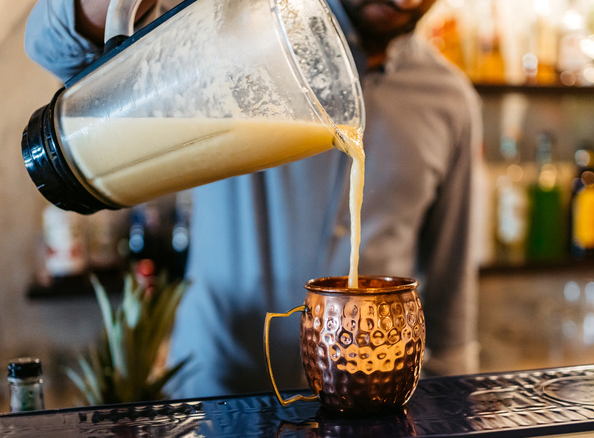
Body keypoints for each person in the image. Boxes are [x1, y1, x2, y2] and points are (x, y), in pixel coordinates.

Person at [24, 0, 483, 398]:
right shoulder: (242, 29)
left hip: (365, 402)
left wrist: (453, 404)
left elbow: (450, 293)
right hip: (215, 396)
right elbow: (55, 46)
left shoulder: (450, 100)